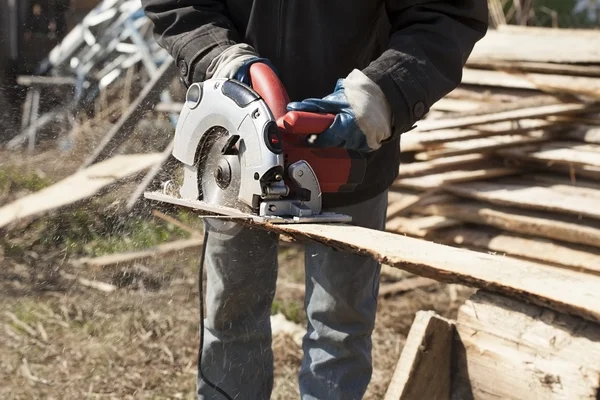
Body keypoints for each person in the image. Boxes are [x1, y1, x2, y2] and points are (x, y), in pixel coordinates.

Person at [141, 1, 488, 399]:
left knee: (339, 329)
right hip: (235, 145)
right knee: (231, 316)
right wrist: (221, 56)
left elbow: (445, 12)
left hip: (351, 144)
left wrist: (380, 94)